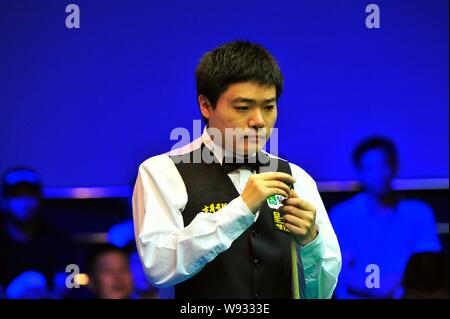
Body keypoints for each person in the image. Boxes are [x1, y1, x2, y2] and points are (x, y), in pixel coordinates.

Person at [132, 41, 341, 299]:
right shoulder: (162, 172)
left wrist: (311, 243)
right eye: (243, 108)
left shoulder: (297, 178)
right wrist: (240, 209)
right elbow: (159, 268)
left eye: (268, 106)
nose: (259, 121)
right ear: (206, 106)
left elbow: (320, 293)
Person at [329, 137, 442, 299]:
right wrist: (375, 289)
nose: (380, 173)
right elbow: (338, 269)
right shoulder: (341, 215)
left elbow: (427, 263)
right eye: (372, 168)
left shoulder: (419, 212)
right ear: (359, 172)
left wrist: (391, 285)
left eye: (385, 165)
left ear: (395, 167)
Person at [0, 167, 78, 295]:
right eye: (17, 194)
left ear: (39, 198)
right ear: (5, 200)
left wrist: (61, 291)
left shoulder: (60, 239)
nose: (25, 202)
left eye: (30, 194)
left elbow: (72, 277)